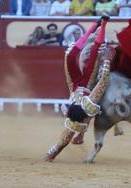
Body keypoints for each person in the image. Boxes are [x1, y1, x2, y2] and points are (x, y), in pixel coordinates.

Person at [44, 16, 111, 162]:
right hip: (87, 84)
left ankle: (94, 26)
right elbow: (103, 82)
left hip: (74, 85)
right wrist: (106, 61)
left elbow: (61, 143)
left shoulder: (75, 117)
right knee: (94, 54)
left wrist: (52, 154)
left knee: (70, 56)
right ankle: (103, 24)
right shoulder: (90, 103)